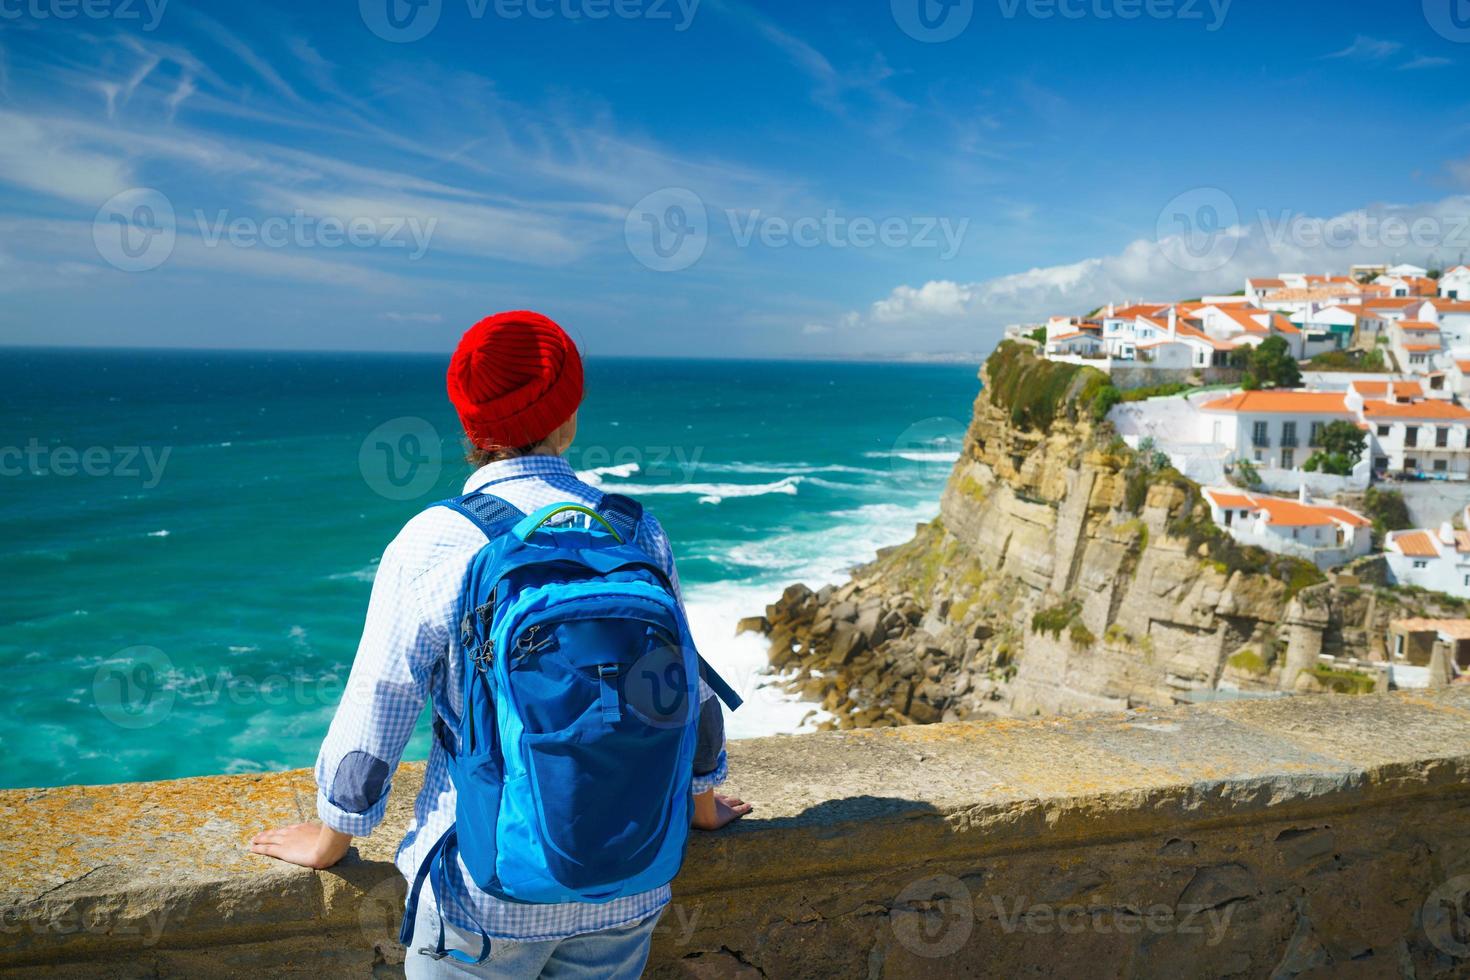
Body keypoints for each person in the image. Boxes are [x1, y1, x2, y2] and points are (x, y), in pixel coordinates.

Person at [251, 311, 750, 978]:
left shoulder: (435, 542)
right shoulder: (635, 532)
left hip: (481, 894)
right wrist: (703, 803)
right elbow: (681, 685)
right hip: (632, 880)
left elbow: (379, 705)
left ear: (468, 423)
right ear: (568, 415)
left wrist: (333, 833)